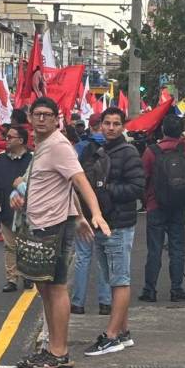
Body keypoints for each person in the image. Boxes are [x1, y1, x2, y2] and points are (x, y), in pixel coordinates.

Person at [13, 97, 110, 368]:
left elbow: (79, 180)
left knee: (55, 288)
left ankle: (59, 351)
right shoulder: (43, 147)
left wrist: (95, 213)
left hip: (53, 226)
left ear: (57, 118)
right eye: (37, 114)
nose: (41, 119)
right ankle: (51, 347)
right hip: (40, 225)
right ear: (30, 118)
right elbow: (62, 186)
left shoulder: (58, 145)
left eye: (47, 114)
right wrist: (79, 215)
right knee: (44, 287)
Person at [83, 107, 145, 357]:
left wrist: (107, 190)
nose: (110, 128)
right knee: (112, 279)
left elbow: (137, 187)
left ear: (123, 126)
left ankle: (111, 336)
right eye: (106, 123)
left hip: (118, 224)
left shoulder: (128, 153)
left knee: (119, 280)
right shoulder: (100, 151)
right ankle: (122, 330)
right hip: (103, 222)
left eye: (115, 123)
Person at [140, 114, 185, 303]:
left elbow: (143, 177)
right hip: (179, 205)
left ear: (163, 130)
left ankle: (150, 290)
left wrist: (146, 200)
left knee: (154, 249)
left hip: (156, 205)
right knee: (177, 248)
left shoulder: (151, 151)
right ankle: (177, 289)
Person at [72, 112, 112, 316]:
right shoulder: (113, 148)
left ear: (91, 125)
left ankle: (77, 303)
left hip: (83, 211)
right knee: (103, 259)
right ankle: (105, 303)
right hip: (106, 211)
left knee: (82, 257)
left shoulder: (80, 148)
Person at [0, 126, 33, 292]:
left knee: (27, 245)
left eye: (10, 137)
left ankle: (28, 275)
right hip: (6, 211)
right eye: (6, 137)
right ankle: (12, 279)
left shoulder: (32, 160)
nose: (7, 140)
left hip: (27, 212)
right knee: (10, 246)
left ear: (21, 140)